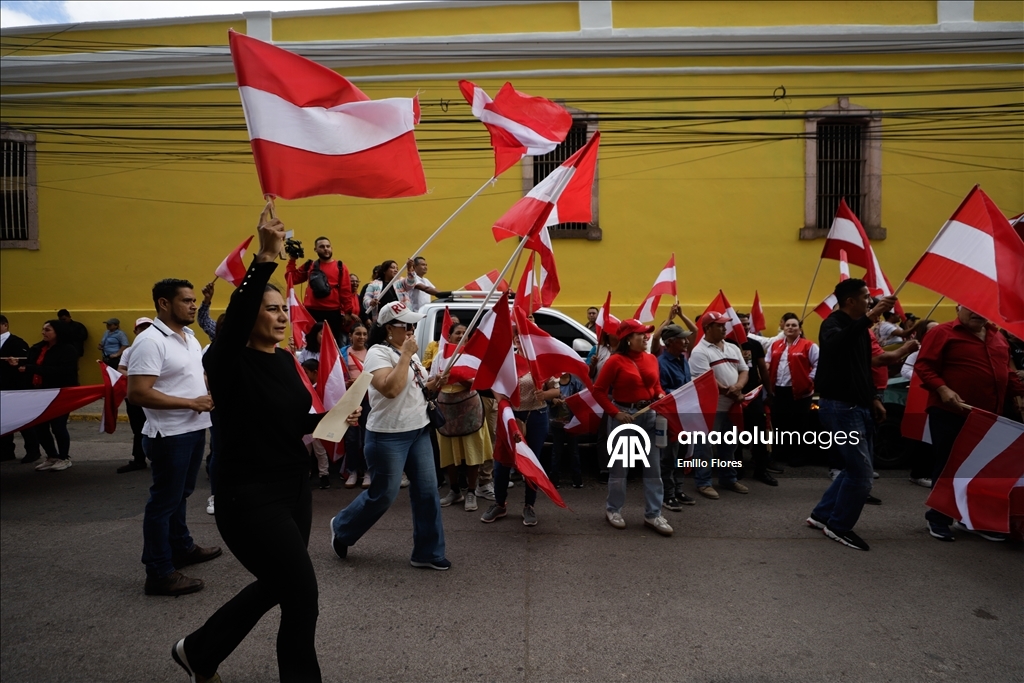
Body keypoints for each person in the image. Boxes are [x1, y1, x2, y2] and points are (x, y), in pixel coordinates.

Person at [171, 214, 359, 683]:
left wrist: (332, 420)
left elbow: (292, 420)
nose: (280, 316)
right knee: (302, 592)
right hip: (248, 495)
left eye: (282, 310)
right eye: (270, 309)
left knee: (284, 586)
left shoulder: (282, 360)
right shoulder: (226, 359)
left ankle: (198, 650)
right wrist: (267, 258)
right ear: (249, 313)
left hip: (293, 487)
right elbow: (233, 324)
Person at [329, 301, 451, 569]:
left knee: (427, 492)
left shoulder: (412, 354)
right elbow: (390, 389)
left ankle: (428, 553)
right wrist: (406, 355)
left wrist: (434, 383)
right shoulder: (377, 354)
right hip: (388, 435)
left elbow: (415, 388)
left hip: (418, 429)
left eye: (412, 325)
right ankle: (342, 527)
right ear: (387, 329)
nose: (411, 330)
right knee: (384, 494)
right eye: (404, 325)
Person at [128, 277, 219, 596]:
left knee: (180, 495)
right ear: (164, 303)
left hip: (193, 429)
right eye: (186, 300)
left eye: (195, 300)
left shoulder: (190, 337)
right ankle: (158, 571)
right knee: (163, 501)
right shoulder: (151, 341)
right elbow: (138, 393)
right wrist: (190, 402)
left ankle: (181, 547)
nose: (194, 305)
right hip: (169, 435)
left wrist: (203, 394)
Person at [914, 305, 1024, 543]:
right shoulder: (943, 332)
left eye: (982, 308)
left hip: (989, 418)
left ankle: (971, 520)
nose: (978, 312)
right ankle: (938, 518)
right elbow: (923, 366)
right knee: (949, 466)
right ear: (958, 308)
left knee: (981, 470)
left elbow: (1006, 373)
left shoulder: (997, 337)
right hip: (951, 412)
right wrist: (943, 389)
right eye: (971, 308)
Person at [805, 279, 896, 552]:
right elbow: (834, 346)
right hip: (841, 408)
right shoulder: (832, 324)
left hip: (860, 406)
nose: (871, 301)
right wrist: (869, 318)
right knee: (862, 475)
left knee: (854, 469)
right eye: (867, 297)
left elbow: (861, 370)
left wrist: (874, 399)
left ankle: (821, 515)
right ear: (850, 301)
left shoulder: (862, 332)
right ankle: (838, 526)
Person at [590, 319, 673, 536]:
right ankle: (613, 510)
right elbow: (598, 390)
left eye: (646, 334)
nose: (646, 338)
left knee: (653, 468)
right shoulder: (615, 361)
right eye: (641, 334)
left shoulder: (652, 359)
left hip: (651, 417)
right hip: (625, 418)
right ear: (628, 339)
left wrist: (660, 394)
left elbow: (655, 385)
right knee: (620, 469)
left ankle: (653, 514)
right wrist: (615, 413)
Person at [480, 332, 560, 526]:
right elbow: (494, 383)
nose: (517, 338)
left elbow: (557, 390)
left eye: (522, 335)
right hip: (509, 417)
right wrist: (501, 401)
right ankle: (500, 504)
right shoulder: (507, 360)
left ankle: (529, 506)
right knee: (502, 463)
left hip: (536, 417)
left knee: (531, 462)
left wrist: (545, 394)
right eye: (515, 335)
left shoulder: (541, 360)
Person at [688, 312, 749, 500]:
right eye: (719, 325)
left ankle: (728, 478)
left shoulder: (732, 348)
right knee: (704, 446)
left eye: (724, 325)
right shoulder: (699, 351)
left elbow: (744, 370)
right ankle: (703, 482)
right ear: (707, 328)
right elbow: (706, 380)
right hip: (710, 408)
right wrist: (732, 392)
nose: (724, 328)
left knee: (729, 445)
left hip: (731, 406)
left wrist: (738, 387)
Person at [436, 323, 492, 512]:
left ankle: (471, 491)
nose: (461, 336)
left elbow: (481, 383)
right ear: (449, 336)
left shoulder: (473, 358)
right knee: (449, 452)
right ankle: (454, 490)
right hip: (446, 411)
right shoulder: (441, 356)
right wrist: (439, 380)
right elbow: (432, 381)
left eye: (464, 333)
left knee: (472, 451)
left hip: (469, 409)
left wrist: (459, 377)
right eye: (457, 333)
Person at [9, 320, 78, 471]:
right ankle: (51, 455)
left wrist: (31, 368)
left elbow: (63, 371)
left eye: (48, 330)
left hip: (59, 392)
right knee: (40, 426)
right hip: (38, 392)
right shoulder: (37, 348)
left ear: (57, 332)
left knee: (58, 426)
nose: (43, 332)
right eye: (43, 329)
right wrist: (17, 365)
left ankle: (64, 457)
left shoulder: (68, 350)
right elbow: (27, 365)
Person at [765, 317, 819, 469]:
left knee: (799, 424)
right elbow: (768, 362)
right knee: (780, 423)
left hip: (800, 392)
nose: (790, 327)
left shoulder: (808, 345)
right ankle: (780, 453)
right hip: (778, 390)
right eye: (787, 325)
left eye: (794, 325)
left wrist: (809, 380)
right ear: (783, 328)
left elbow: (818, 363)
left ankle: (798, 455)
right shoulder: (775, 345)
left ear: (800, 329)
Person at [286, 236, 360, 343]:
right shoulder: (310, 265)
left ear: (331, 248)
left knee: (332, 344)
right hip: (311, 312)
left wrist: (348, 312)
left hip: (333, 312)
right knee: (311, 343)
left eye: (328, 246)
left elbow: (345, 291)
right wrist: (292, 260)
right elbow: (292, 279)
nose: (325, 249)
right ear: (315, 249)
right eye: (321, 247)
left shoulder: (340, 266)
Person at [734, 311, 780, 485]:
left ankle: (761, 470)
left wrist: (769, 392)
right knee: (735, 435)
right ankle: (736, 469)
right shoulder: (729, 344)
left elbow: (763, 369)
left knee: (759, 434)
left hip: (754, 396)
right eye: (742, 324)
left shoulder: (754, 344)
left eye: (747, 324)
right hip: (735, 397)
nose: (745, 327)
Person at [655, 321, 696, 509]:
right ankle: (667, 494)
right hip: (670, 416)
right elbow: (661, 391)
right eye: (682, 339)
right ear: (670, 342)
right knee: (668, 456)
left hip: (684, 414)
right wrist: (683, 393)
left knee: (681, 454)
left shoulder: (683, 359)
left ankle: (678, 489)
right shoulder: (661, 364)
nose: (686, 342)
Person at [115, 317, 155, 474]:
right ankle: (139, 459)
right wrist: (139, 376)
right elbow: (120, 369)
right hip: (135, 395)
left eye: (148, 327)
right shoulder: (129, 351)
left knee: (157, 425)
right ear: (135, 331)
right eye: (141, 328)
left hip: (154, 394)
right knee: (138, 428)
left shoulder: (159, 347)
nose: (144, 330)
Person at [0, 314, 39, 463]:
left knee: (23, 422)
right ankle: (6, 451)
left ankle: (33, 450)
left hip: (15, 387)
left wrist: (15, 364)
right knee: (4, 421)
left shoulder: (17, 343)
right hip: (2, 388)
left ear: (5, 325)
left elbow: (26, 363)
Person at [340, 323, 371, 489]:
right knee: (351, 437)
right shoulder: (341, 353)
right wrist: (346, 383)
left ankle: (367, 471)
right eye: (358, 334)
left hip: (368, 400)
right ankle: (352, 471)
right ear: (350, 335)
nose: (362, 337)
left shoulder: (372, 354)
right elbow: (335, 377)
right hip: (349, 400)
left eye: (365, 334)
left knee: (367, 436)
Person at [549, 372, 585, 489]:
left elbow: (582, 400)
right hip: (556, 423)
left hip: (572, 423)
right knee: (556, 452)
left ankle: (577, 478)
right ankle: (554, 479)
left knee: (574, 451)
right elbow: (546, 397)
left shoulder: (576, 383)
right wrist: (553, 400)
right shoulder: (552, 382)